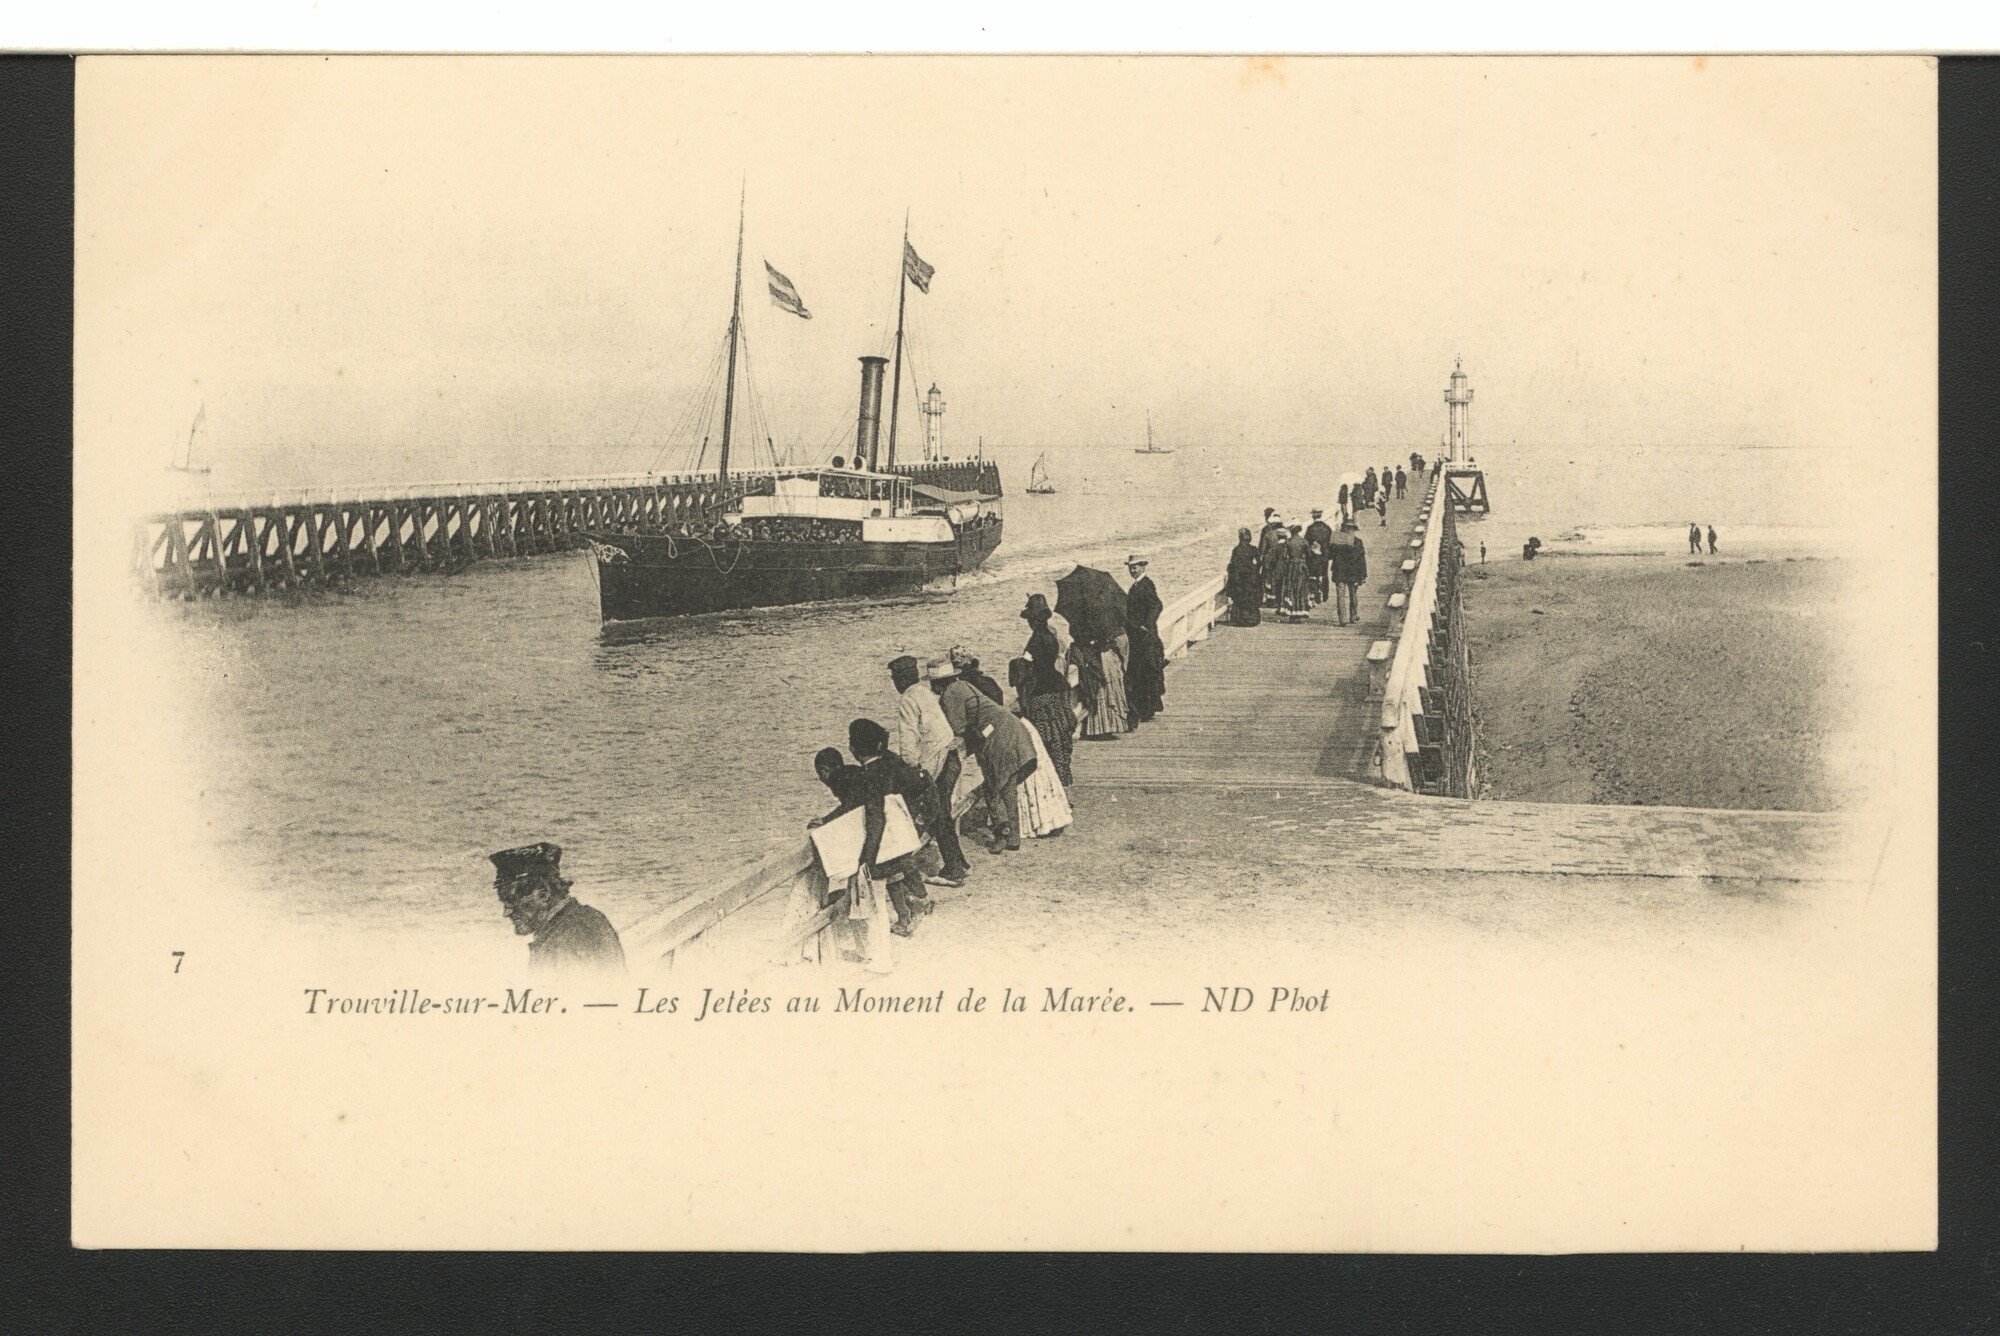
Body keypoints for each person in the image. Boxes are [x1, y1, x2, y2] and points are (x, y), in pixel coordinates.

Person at [931, 657, 1040, 853]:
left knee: (995, 789)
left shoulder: (949, 695)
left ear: (938, 683)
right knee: (1007, 787)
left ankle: (1002, 833)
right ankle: (1013, 836)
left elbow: (958, 729)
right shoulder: (963, 685)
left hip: (997, 739)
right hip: (1012, 729)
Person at [488, 842, 625, 981]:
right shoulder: (580, 921)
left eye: (511, 901)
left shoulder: (571, 934)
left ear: (543, 893)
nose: (506, 913)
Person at [889, 654, 969, 887]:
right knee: (942, 809)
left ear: (903, 679)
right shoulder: (924, 692)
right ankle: (958, 862)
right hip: (950, 754)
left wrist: (908, 767)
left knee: (936, 812)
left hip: (937, 759)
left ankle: (953, 869)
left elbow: (909, 738)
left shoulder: (907, 699)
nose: (894, 683)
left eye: (895, 678)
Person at [1005, 658, 1075, 837]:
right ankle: (1058, 806)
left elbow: (1030, 710)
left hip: (1046, 728)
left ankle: (1047, 813)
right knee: (1057, 765)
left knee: (1045, 769)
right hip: (1059, 724)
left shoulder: (1030, 687)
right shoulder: (1047, 679)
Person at [1017, 594, 1076, 786]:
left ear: (1033, 621)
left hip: (1042, 691)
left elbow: (1023, 668)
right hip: (1057, 687)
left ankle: (1052, 784)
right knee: (1060, 736)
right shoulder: (1051, 636)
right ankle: (1063, 779)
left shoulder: (1034, 640)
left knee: (1046, 739)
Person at [1122, 554, 1167, 725]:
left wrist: (1146, 624)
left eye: (1135, 567)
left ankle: (1146, 708)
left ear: (1143, 567)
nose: (1132, 570)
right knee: (1142, 672)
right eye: (1130, 567)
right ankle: (1145, 707)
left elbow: (1157, 605)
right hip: (1139, 636)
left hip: (1145, 637)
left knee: (1145, 671)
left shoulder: (1146, 584)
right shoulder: (1137, 585)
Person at [1069, 629, 1131, 740]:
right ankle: (1108, 726)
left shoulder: (1087, 623)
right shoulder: (1111, 624)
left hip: (1099, 659)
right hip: (1108, 658)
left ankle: (1098, 728)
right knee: (1108, 692)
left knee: (1100, 692)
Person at [1327, 515, 1367, 625]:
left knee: (1340, 595)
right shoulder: (1358, 542)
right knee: (1353, 593)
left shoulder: (1336, 542)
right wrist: (1363, 575)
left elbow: (1330, 556)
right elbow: (1361, 560)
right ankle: (1353, 615)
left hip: (1339, 571)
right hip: (1353, 572)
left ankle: (1342, 619)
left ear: (1343, 529)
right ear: (1353, 530)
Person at [1225, 527, 1263, 626]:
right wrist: (1254, 570)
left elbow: (1232, 564)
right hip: (1250, 578)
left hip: (1239, 579)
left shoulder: (1236, 550)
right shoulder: (1253, 549)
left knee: (1238, 599)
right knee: (1251, 598)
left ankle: (1239, 619)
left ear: (1240, 538)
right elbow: (1259, 562)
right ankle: (1250, 619)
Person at [1275, 525, 1313, 621]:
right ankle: (1300, 610)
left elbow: (1284, 556)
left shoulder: (1288, 542)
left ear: (1291, 531)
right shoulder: (1304, 541)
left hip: (1291, 567)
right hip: (1301, 566)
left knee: (1291, 588)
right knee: (1300, 588)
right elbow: (1309, 554)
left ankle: (1292, 612)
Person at [1304, 509, 1335, 606]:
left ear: (1313, 516)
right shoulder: (1327, 528)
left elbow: (1306, 543)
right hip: (1324, 556)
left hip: (1313, 557)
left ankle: (1314, 593)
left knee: (1313, 576)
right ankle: (1324, 595)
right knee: (1324, 575)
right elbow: (1331, 543)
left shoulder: (1310, 528)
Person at [1258, 511, 1287, 605]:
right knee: (1280, 579)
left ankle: (1269, 599)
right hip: (1282, 559)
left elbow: (1262, 549)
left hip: (1269, 559)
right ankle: (1279, 599)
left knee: (1268, 579)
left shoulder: (1268, 534)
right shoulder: (1285, 532)